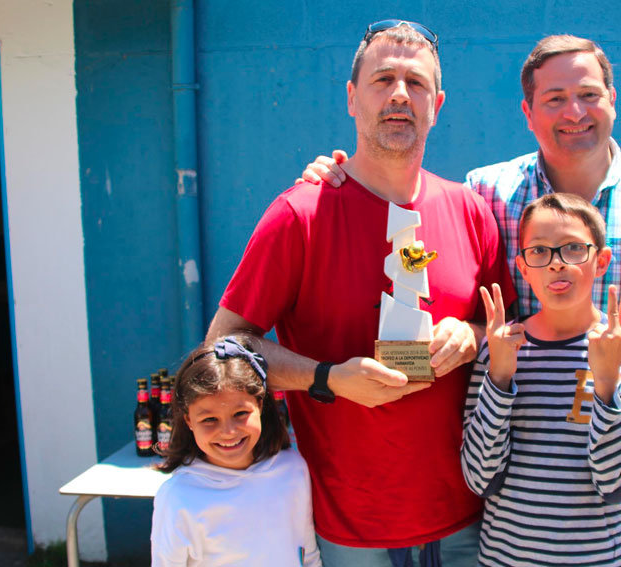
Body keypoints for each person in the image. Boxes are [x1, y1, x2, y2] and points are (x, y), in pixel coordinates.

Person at [300, 33, 621, 567]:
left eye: (589, 94)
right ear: (528, 112)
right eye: (554, 98)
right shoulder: (487, 192)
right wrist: (340, 175)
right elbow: (414, 210)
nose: (574, 112)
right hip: (519, 460)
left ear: (613, 99)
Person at [207, 20, 514, 567]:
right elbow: (224, 347)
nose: (400, 94)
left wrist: (472, 336)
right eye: (383, 79)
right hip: (350, 526)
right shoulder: (299, 215)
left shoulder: (470, 211)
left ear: (437, 105)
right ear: (352, 98)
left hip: (470, 516)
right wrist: (325, 378)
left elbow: (510, 329)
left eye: (416, 83)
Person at [463, 193, 621, 566]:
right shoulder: (501, 347)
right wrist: (500, 378)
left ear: (601, 261)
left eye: (573, 248)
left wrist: (607, 382)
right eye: (539, 251)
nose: (556, 263)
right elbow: (479, 478)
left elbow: (619, 483)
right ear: (523, 268)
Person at [151, 335, 321, 567]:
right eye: (209, 419)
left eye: (240, 414)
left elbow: (308, 553)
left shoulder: (293, 470)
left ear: (260, 405)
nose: (228, 432)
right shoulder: (177, 497)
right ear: (188, 420)